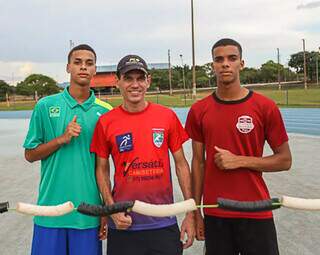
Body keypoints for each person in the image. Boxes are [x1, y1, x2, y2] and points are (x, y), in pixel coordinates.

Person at [185, 38, 292, 255]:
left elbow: (285, 160)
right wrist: (195, 211)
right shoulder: (199, 110)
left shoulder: (265, 107)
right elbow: (198, 163)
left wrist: (240, 160)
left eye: (231, 58)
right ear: (213, 65)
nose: (225, 64)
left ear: (241, 64)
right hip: (217, 213)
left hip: (257, 210)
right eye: (219, 59)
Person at [90, 54, 195, 255]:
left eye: (140, 78)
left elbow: (181, 165)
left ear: (148, 81)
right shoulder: (106, 122)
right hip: (123, 224)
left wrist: (191, 213)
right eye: (128, 78)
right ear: (117, 82)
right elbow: (101, 170)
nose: (134, 84)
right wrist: (111, 210)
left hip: (163, 222)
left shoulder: (167, 116)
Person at [23, 44, 112, 255]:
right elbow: (30, 154)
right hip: (49, 212)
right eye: (78, 62)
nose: (83, 67)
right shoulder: (45, 106)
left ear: (94, 70)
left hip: (87, 214)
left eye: (89, 63)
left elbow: (104, 168)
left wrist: (104, 210)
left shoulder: (106, 112)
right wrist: (61, 139)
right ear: (68, 67)